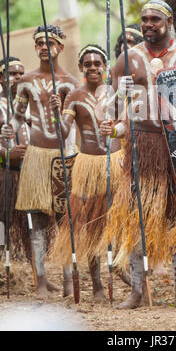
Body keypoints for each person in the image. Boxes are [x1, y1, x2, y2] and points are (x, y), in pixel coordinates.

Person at [100, 0, 176, 309]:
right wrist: (119, 93)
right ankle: (137, 293)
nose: (148, 24)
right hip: (143, 145)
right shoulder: (127, 60)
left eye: (155, 18)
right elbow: (112, 112)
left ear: (168, 21)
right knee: (139, 217)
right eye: (144, 19)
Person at [1, 24, 78, 299]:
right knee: (37, 220)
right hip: (35, 156)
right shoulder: (26, 81)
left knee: (64, 218)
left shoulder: (70, 82)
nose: (44, 48)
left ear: (60, 45)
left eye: (49, 43)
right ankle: (42, 280)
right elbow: (19, 116)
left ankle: (69, 279)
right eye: (39, 43)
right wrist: (8, 130)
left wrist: (61, 111)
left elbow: (71, 125)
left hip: (62, 156)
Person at [48, 44, 124, 302]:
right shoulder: (74, 96)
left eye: (97, 63)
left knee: (120, 220)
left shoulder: (117, 94)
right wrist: (56, 114)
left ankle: (124, 273)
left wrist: (115, 126)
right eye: (87, 64)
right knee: (92, 225)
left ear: (105, 66)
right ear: (80, 68)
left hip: (115, 162)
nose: (93, 67)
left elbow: (129, 124)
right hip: (88, 165)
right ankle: (97, 285)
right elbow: (64, 132)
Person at [0, 56, 30, 262]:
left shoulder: (29, 104)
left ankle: (41, 276)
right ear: (1, 78)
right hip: (5, 173)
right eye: (12, 74)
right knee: (2, 223)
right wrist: (7, 154)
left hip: (28, 173)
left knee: (32, 226)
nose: (18, 78)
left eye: (21, 74)